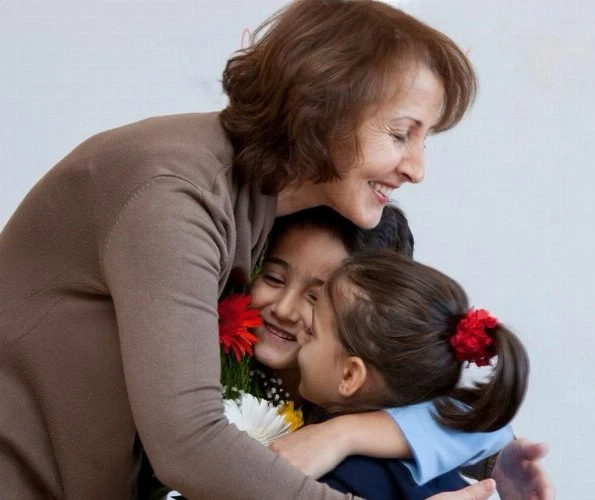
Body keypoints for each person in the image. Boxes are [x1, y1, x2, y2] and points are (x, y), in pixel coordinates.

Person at [0, 0, 513, 498]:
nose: (417, 169)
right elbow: (191, 446)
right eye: (401, 135)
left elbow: (407, 367)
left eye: (424, 140)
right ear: (325, 110)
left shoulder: (275, 210)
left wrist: (362, 437)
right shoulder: (176, 198)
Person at [248, 205, 554, 499]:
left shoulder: (343, 464)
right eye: (273, 278)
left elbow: (474, 425)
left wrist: (342, 434)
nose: (285, 310)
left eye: (316, 298)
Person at [293, 251, 528, 499]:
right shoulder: (441, 465)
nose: (300, 337)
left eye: (311, 332)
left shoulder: (324, 473)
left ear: (350, 375)